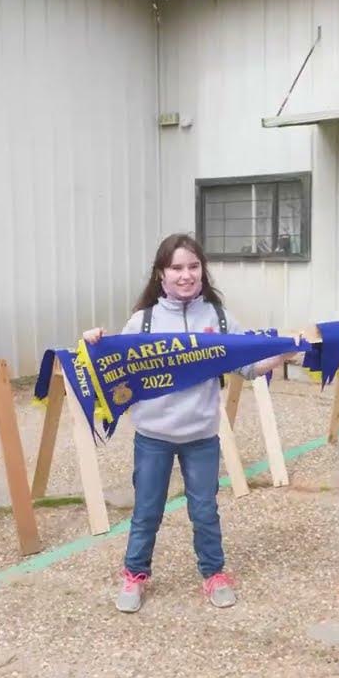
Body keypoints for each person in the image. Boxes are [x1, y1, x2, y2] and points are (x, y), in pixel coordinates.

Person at [82, 233, 298, 613]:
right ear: (161, 274)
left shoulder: (218, 317)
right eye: (177, 267)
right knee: (147, 509)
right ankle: (134, 575)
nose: (186, 275)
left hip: (201, 436)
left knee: (205, 510)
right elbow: (105, 367)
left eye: (193, 266)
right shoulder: (142, 322)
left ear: (203, 270)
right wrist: (93, 342)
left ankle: (214, 574)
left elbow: (247, 366)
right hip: (153, 437)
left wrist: (281, 355)